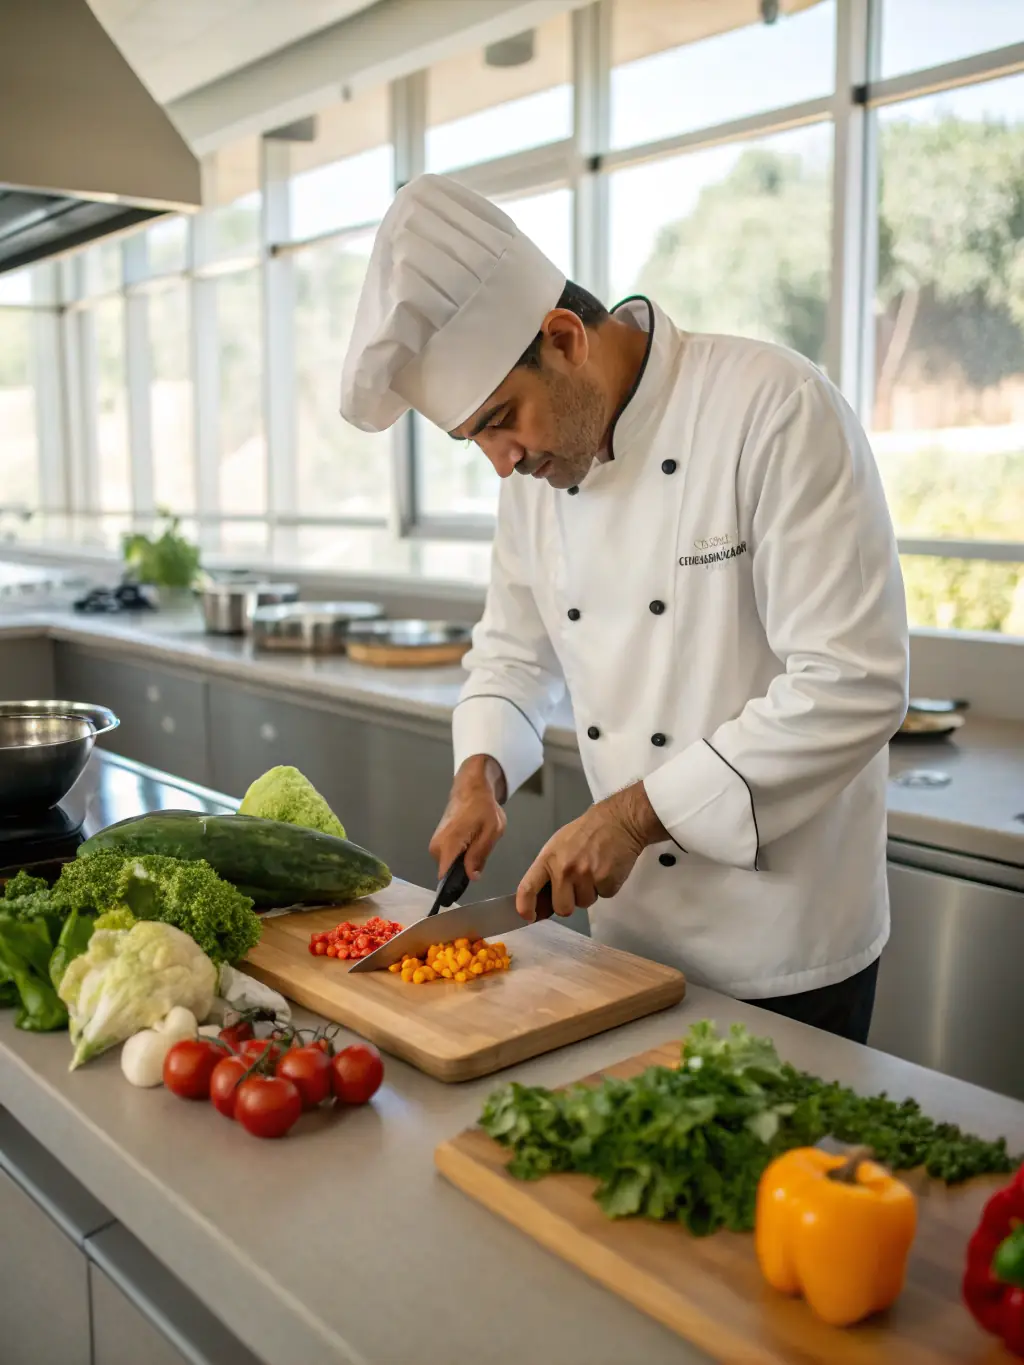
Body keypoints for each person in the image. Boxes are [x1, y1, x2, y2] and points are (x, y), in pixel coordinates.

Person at [340, 173, 909, 1044]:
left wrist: (633, 815)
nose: (501, 461)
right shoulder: (539, 470)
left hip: (786, 943)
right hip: (629, 939)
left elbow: (853, 682)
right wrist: (480, 773)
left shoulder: (773, 408)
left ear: (563, 337)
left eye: (502, 420)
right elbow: (514, 655)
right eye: (475, 441)